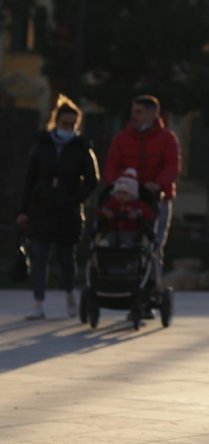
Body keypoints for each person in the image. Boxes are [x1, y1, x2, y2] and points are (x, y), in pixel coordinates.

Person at [16, 95, 99, 320]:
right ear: (56, 121)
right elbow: (29, 178)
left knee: (65, 258)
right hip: (41, 209)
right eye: (65, 124)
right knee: (39, 255)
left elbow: (92, 179)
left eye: (73, 125)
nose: (68, 128)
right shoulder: (42, 145)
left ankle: (70, 294)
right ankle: (38, 302)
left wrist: (75, 198)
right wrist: (23, 210)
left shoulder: (81, 147)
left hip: (67, 211)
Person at [104, 95, 180, 301]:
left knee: (153, 244)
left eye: (138, 112)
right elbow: (112, 165)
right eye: (133, 111)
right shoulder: (123, 138)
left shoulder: (167, 139)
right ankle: (121, 283)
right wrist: (116, 186)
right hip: (128, 198)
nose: (134, 116)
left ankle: (153, 289)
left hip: (157, 198)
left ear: (152, 113)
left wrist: (159, 184)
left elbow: (172, 166)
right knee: (125, 243)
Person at [96, 168, 155, 248]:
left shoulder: (137, 204)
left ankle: (127, 249)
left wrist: (138, 213)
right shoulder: (113, 203)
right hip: (113, 230)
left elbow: (149, 213)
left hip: (130, 231)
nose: (121, 196)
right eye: (118, 193)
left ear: (131, 194)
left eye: (124, 193)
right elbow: (100, 211)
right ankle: (108, 247)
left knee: (127, 238)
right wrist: (105, 212)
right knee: (111, 237)